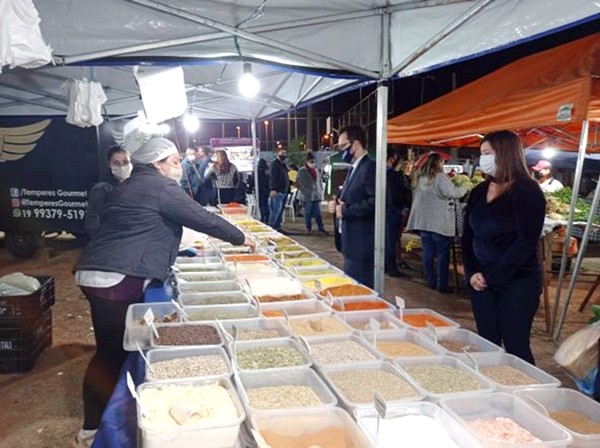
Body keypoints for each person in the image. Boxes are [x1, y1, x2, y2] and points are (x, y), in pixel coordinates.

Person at [72, 138, 254, 448]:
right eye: (174, 161)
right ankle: (93, 428)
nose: (179, 166)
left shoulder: (133, 185)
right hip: (114, 277)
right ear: (157, 164)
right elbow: (201, 217)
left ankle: (102, 418)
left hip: (100, 269)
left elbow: (138, 227)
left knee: (111, 349)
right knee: (110, 354)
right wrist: (241, 238)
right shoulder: (160, 187)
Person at [462, 130, 545, 364]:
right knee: (487, 343)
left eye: (487, 153)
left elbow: (525, 242)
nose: (483, 159)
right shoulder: (479, 191)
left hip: (517, 282)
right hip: (481, 283)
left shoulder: (527, 192)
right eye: (481, 154)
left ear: (505, 154)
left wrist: (493, 276)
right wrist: (472, 273)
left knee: (515, 345)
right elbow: (468, 237)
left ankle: (524, 395)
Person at [406, 152, 467, 293]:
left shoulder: (420, 178)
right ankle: (442, 285)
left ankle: (431, 281)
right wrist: (464, 188)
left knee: (428, 253)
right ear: (438, 163)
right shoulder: (440, 177)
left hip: (424, 223)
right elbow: (453, 193)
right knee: (442, 255)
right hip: (439, 224)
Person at [335, 124, 376, 288]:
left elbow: (375, 203)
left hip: (362, 244)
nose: (341, 151)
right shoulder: (354, 168)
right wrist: (338, 204)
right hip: (350, 241)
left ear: (356, 144)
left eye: (343, 146)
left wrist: (345, 210)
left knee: (360, 290)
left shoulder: (369, 168)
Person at [84, 146, 132, 238]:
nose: (121, 166)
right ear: (109, 165)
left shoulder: (137, 184)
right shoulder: (101, 189)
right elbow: (93, 223)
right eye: (116, 163)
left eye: (125, 162)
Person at [385, 149, 411, 277]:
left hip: (384, 211)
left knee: (386, 240)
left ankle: (385, 266)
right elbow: (400, 195)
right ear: (392, 159)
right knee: (392, 240)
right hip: (393, 211)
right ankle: (392, 268)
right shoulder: (394, 176)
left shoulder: (378, 174)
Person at [297, 151, 328, 235]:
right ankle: (308, 228)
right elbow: (299, 184)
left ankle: (321, 228)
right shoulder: (302, 171)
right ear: (307, 161)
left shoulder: (316, 170)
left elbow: (319, 181)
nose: (313, 163)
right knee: (308, 213)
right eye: (311, 162)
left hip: (317, 195)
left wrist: (321, 192)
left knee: (318, 213)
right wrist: (306, 192)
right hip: (307, 196)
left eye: (314, 162)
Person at [269, 148, 289, 232]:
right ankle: (271, 227)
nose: (283, 156)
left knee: (280, 211)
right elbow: (272, 177)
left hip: (284, 191)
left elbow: (286, 177)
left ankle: (278, 227)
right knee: (276, 211)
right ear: (278, 154)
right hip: (277, 191)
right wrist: (273, 189)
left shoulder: (283, 165)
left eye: (284, 154)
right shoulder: (274, 164)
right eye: (282, 154)